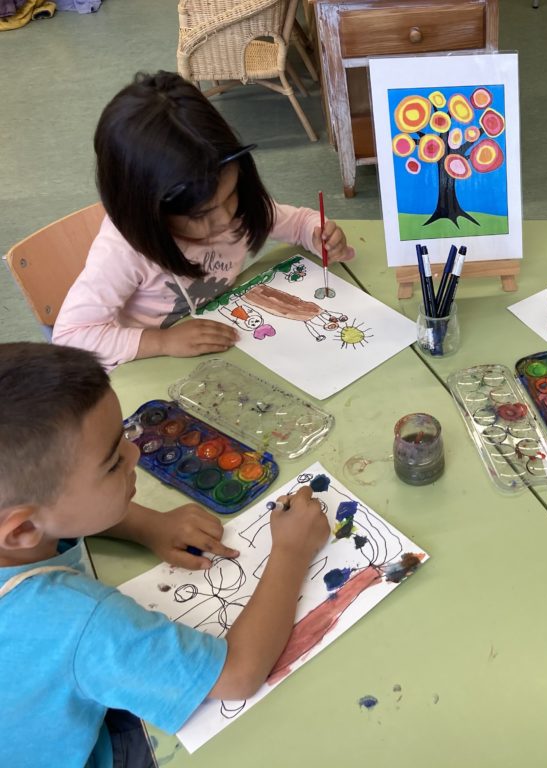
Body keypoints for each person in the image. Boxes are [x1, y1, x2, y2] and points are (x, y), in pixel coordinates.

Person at [0, 343, 330, 768]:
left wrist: (146, 524)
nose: (135, 453)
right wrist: (291, 551)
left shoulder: (20, 526)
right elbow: (238, 675)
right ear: (23, 530)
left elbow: (59, 514)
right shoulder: (79, 621)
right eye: (112, 463)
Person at [53, 71, 355, 370]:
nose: (225, 218)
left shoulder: (236, 207)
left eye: (230, 195)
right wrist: (162, 342)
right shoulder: (123, 251)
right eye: (200, 214)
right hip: (146, 368)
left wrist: (317, 233)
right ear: (150, 211)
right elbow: (71, 337)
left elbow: (298, 223)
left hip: (221, 345)